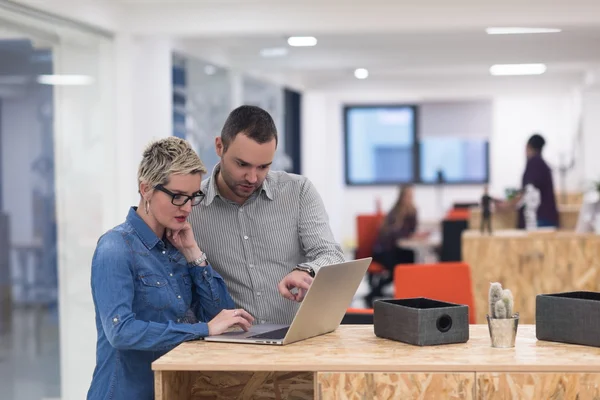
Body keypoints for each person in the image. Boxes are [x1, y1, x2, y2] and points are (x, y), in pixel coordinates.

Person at [87, 137, 254, 400]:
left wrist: (193, 254)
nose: (187, 208)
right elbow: (121, 332)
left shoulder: (179, 244)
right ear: (146, 189)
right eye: (177, 197)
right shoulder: (115, 248)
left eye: (193, 197)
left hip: (174, 389)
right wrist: (203, 330)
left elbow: (223, 315)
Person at [189, 105, 346, 325]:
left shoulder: (298, 191)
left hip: (296, 338)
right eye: (242, 164)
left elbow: (332, 254)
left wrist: (307, 270)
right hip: (232, 344)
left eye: (263, 166)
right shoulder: (190, 207)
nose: (252, 178)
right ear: (219, 146)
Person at [366, 184, 418, 305]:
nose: (410, 199)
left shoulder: (411, 211)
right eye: (408, 196)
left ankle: (405, 292)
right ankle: (375, 292)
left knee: (410, 257)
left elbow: (411, 230)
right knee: (401, 265)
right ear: (402, 197)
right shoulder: (395, 212)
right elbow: (394, 234)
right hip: (383, 251)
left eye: (412, 196)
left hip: (395, 249)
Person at [503, 134, 559, 229]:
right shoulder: (542, 165)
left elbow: (527, 191)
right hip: (546, 218)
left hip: (538, 219)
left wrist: (506, 205)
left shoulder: (534, 163)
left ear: (528, 146)